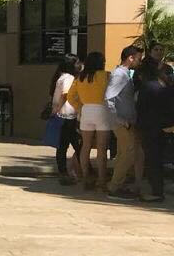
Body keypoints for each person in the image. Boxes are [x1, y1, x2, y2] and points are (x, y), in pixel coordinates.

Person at [66, 51, 112, 191]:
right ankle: (101, 180)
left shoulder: (80, 77)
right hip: (102, 110)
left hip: (86, 111)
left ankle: (85, 177)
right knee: (102, 148)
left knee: (85, 146)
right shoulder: (106, 76)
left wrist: (80, 108)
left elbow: (70, 96)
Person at [104, 45, 144, 199]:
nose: (139, 62)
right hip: (122, 122)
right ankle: (114, 188)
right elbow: (108, 98)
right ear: (130, 58)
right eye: (138, 59)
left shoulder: (124, 74)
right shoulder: (119, 75)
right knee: (128, 154)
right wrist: (121, 120)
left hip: (125, 121)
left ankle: (115, 184)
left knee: (123, 154)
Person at [135, 56, 174, 202]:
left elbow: (141, 108)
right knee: (161, 159)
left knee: (153, 160)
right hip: (165, 126)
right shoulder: (166, 85)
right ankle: (159, 189)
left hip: (150, 127)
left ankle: (157, 192)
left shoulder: (147, 86)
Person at [50, 56, 82, 186]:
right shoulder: (69, 78)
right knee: (71, 145)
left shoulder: (61, 77)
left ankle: (69, 171)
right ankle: (67, 172)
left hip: (65, 116)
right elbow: (65, 95)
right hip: (67, 116)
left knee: (66, 146)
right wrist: (57, 110)